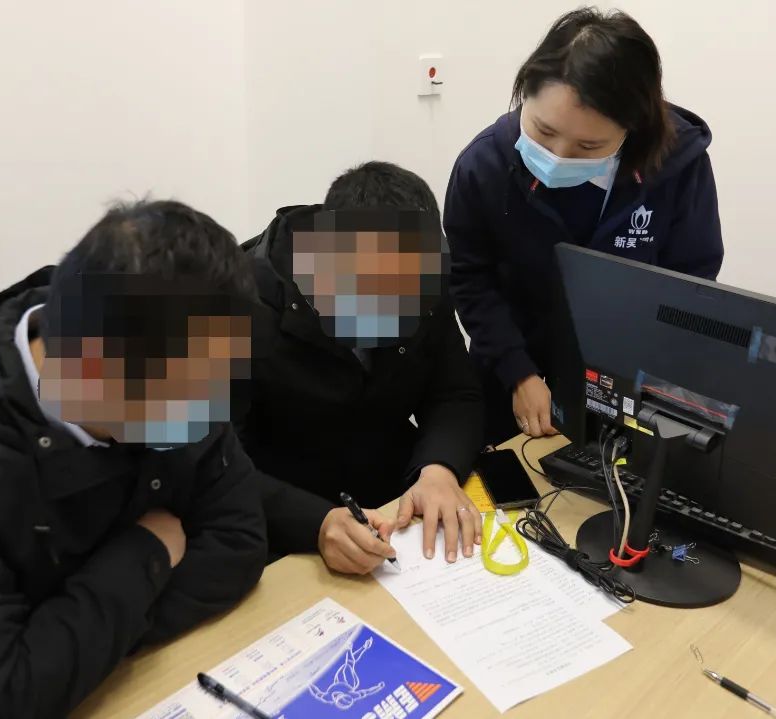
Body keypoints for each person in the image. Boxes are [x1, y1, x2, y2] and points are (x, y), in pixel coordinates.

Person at [0, 200, 267, 717]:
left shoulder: (174, 357)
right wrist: (148, 551)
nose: (211, 410)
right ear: (91, 370)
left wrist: (71, 645)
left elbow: (240, 544)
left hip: (134, 682)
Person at [444, 8, 725, 445]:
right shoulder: (483, 167)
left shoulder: (677, 167)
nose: (558, 156)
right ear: (525, 93)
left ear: (634, 128)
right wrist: (518, 372)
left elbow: (691, 280)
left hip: (631, 378)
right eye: (543, 131)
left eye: (588, 146)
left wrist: (649, 378)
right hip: (515, 375)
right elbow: (470, 279)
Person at [239, 161, 485, 574]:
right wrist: (313, 523)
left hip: (395, 502)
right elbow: (213, 462)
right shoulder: (237, 304)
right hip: (280, 518)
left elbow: (453, 392)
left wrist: (439, 469)